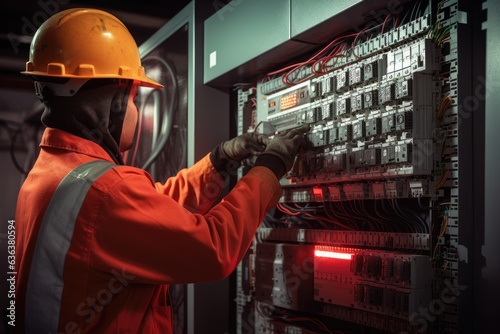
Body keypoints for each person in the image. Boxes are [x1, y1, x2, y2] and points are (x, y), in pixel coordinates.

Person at [14, 8, 309, 334]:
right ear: (113, 101)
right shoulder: (103, 191)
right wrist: (269, 170)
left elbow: (153, 211)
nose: (136, 110)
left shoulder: (48, 177)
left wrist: (220, 160)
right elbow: (212, 249)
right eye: (134, 97)